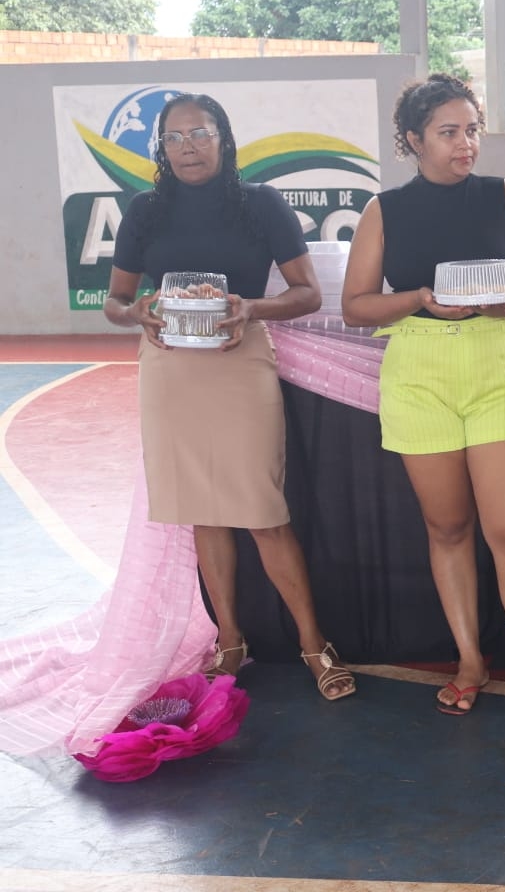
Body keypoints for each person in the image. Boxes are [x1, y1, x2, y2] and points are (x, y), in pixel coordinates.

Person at [341, 74, 505, 718]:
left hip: (498, 369)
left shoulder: (504, 195)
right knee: (448, 527)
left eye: (472, 130)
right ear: (413, 140)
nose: (466, 144)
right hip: (418, 374)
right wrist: (420, 299)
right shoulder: (384, 210)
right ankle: (471, 660)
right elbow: (356, 306)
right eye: (449, 132)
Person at [104, 93, 355, 701]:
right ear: (161, 149)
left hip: (240, 363)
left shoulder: (261, 203)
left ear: (224, 138)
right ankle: (230, 642)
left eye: (200, 133)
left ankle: (314, 644)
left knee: (264, 512)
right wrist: (136, 312)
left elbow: (306, 293)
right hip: (169, 370)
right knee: (204, 511)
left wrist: (252, 308)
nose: (187, 147)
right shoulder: (144, 211)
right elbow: (114, 301)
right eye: (174, 138)